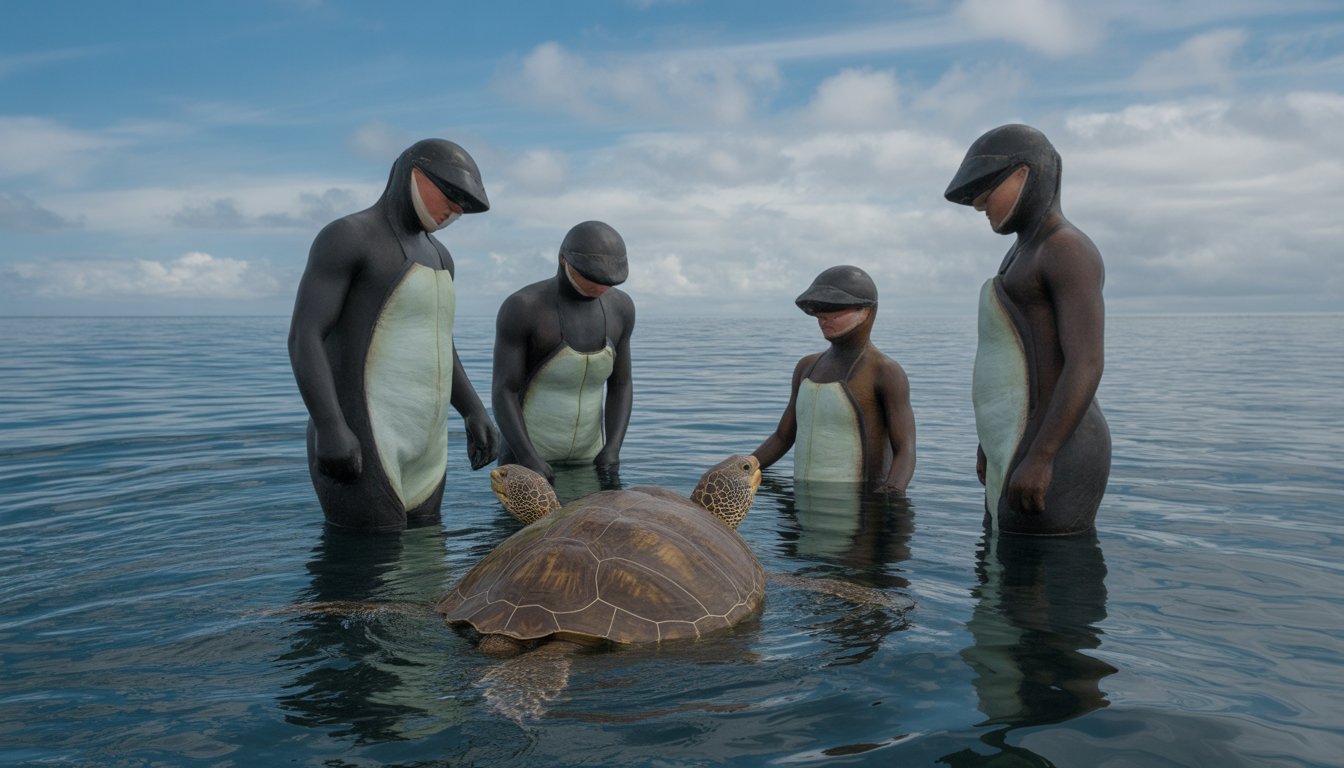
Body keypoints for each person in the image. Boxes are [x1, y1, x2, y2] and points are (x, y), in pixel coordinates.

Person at [288, 139, 498, 531]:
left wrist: (473, 410)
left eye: (464, 206)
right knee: (371, 572)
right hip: (362, 438)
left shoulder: (441, 258)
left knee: (427, 568)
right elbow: (305, 336)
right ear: (411, 172)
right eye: (450, 195)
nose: (455, 210)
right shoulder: (349, 236)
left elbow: (438, 344)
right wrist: (330, 426)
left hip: (427, 446)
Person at [944, 123, 1112, 535]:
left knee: (1041, 579)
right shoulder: (1022, 251)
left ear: (1028, 173)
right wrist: (990, 441)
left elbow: (1086, 361)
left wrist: (1042, 456)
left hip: (1058, 447)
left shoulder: (1065, 248)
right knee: (1001, 569)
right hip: (1019, 440)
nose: (979, 204)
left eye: (987, 189)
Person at [492, 221, 635, 484]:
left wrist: (613, 447)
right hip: (527, 462)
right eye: (591, 276)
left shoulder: (621, 308)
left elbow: (621, 384)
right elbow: (504, 391)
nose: (600, 286)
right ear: (562, 260)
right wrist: (528, 458)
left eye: (608, 281)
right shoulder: (523, 307)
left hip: (590, 460)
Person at [751, 265, 916, 493]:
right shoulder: (806, 367)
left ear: (866, 311)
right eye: (819, 313)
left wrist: (893, 493)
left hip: (863, 509)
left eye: (834, 312)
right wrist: (743, 468)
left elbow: (905, 449)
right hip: (804, 502)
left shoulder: (885, 372)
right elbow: (783, 436)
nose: (823, 320)